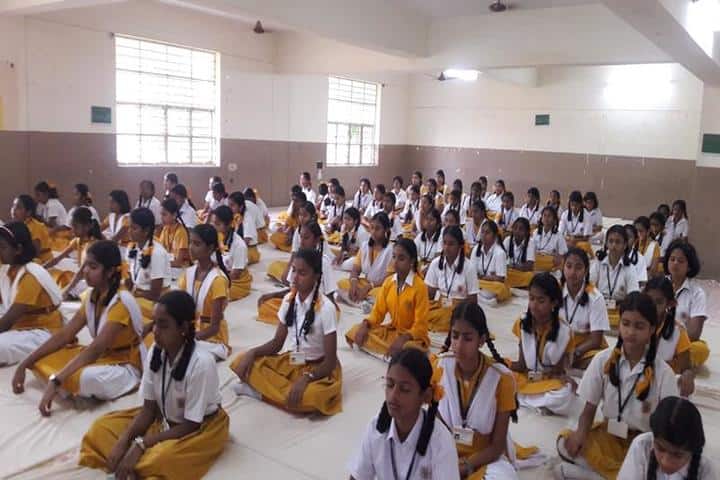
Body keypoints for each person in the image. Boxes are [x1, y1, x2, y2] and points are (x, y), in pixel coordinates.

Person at [78, 290, 229, 479]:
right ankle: (134, 468)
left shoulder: (202, 363)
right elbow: (149, 409)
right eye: (155, 323)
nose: (155, 331)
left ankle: (137, 467)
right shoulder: (156, 352)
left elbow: (191, 424)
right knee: (100, 430)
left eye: (163, 325)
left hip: (198, 429)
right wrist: (125, 440)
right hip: (162, 418)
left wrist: (142, 444)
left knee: (162, 460)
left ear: (183, 327)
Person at [12, 240, 144, 416]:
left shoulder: (121, 302)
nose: (85, 271)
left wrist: (57, 380)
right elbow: (64, 335)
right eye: (85, 265)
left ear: (110, 272)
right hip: (102, 357)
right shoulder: (92, 296)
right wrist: (24, 363)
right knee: (41, 358)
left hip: (124, 365)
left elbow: (95, 349)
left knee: (87, 379)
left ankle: (73, 385)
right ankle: (69, 385)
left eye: (93, 267)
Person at [556, 292, 678, 480]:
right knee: (564, 442)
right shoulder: (603, 359)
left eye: (639, 326)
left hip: (643, 444)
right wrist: (580, 434)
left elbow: (669, 427)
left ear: (652, 329)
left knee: (665, 470)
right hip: (609, 436)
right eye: (626, 323)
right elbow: (589, 408)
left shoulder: (663, 373)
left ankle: (594, 476)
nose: (630, 332)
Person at [231, 248, 342, 415]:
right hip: (294, 359)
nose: (294, 277)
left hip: (319, 369)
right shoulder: (288, 300)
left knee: (314, 397)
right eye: (294, 270)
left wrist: (307, 378)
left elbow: (330, 362)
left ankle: (261, 393)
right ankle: (284, 396)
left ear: (316, 276)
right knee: (241, 360)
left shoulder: (326, 308)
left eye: (302, 273)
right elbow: (277, 343)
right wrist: (252, 353)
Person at [437, 302, 526, 479]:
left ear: (482, 340)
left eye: (467, 338)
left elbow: (497, 446)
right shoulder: (440, 366)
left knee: (505, 477)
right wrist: (448, 461)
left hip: (484, 458)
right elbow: (435, 425)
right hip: (445, 451)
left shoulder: (501, 378)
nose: (459, 345)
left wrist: (465, 466)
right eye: (455, 336)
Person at [347, 348, 459, 480]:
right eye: (389, 385)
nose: (393, 395)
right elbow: (358, 476)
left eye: (404, 389)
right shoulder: (375, 428)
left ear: (426, 396)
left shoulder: (440, 442)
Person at [345, 238, 430, 359]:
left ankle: (389, 354)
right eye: (394, 257)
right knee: (356, 330)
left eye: (401, 258)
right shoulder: (389, 282)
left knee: (408, 349)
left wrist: (404, 338)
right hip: (393, 332)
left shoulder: (420, 287)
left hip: (412, 337)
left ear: (412, 261)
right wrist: (365, 324)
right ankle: (389, 355)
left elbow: (421, 326)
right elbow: (377, 313)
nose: (395, 262)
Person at [510, 273, 575, 416]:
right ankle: (536, 402)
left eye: (541, 300)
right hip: (526, 377)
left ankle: (524, 400)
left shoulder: (564, 331)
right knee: (499, 379)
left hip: (547, 381)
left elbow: (558, 372)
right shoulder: (521, 323)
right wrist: (502, 364)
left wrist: (564, 378)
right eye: (531, 298)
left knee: (564, 395)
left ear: (554, 303)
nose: (534, 305)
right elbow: (521, 365)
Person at [0, 222, 63, 365]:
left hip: (41, 331)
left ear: (18, 249)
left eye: (2, 247)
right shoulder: (9, 269)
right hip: (19, 325)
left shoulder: (31, 275)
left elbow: (8, 321)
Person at [257, 222, 336, 325]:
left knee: (314, 316)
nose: (302, 242)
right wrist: (272, 295)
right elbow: (293, 289)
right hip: (298, 303)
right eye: (300, 237)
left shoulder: (323, 262)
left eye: (306, 238)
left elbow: (330, 293)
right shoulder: (298, 258)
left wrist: (330, 312)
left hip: (316, 305)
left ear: (316, 240)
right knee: (267, 305)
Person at [618, 396, 714, 479]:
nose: (666, 462)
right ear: (653, 439)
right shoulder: (642, 445)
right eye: (660, 449)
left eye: (678, 455)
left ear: (692, 452)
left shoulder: (705, 467)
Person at [177, 225, 230, 361]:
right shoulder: (188, 273)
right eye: (190, 242)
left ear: (210, 248)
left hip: (212, 338)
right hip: (191, 329)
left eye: (197, 244)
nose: (191, 248)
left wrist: (188, 338)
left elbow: (214, 328)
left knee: (189, 357)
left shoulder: (218, 280)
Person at [644, 277, 695, 397]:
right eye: (649, 301)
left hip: (664, 385)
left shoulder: (678, 331)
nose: (652, 307)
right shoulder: (636, 325)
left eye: (659, 302)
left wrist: (688, 375)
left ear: (670, 303)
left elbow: (686, 368)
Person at [424, 226, 479, 332]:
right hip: (441, 305)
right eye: (444, 243)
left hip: (460, 310)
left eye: (451, 244)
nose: (446, 247)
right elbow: (429, 294)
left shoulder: (469, 267)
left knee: (456, 319)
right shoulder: (435, 263)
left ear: (460, 246)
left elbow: (473, 301)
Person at [561, 248, 609, 369]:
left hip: (585, 349)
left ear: (586, 270)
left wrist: (575, 353)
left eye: (578, 267)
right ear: (563, 267)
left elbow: (596, 340)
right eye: (569, 266)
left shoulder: (595, 297)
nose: (572, 272)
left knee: (600, 361)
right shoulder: (555, 291)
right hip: (560, 346)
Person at [664, 240, 709, 368]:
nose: (675, 263)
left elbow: (694, 333)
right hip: (657, 336)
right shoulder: (658, 285)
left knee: (701, 350)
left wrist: (672, 342)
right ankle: (672, 361)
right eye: (672, 259)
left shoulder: (697, 293)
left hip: (680, 342)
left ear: (689, 266)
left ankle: (666, 359)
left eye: (680, 261)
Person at [337, 212, 394, 305]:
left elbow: (388, 279)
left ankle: (361, 300)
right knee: (341, 283)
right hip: (365, 283)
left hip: (379, 286)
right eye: (372, 227)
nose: (373, 232)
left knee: (382, 294)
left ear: (386, 229)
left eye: (377, 228)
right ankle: (362, 300)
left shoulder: (391, 250)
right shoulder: (365, 246)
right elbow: (355, 269)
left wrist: (369, 287)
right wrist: (354, 283)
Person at [44, 207, 103, 297]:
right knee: (55, 270)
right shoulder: (77, 240)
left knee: (69, 282)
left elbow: (81, 272)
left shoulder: (92, 244)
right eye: (72, 227)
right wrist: (41, 268)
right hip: (82, 278)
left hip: (91, 281)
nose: (72, 230)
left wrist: (66, 291)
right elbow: (57, 259)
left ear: (87, 227)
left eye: (75, 227)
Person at [126, 208, 171, 325]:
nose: (129, 231)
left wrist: (134, 294)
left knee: (124, 310)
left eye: (134, 228)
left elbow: (155, 294)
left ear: (146, 231)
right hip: (138, 297)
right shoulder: (132, 248)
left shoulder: (157, 253)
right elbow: (129, 280)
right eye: (129, 227)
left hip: (155, 303)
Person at [590, 225, 640, 329]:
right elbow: (589, 287)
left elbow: (633, 296)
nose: (613, 245)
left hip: (619, 312)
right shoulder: (598, 263)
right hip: (598, 308)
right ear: (606, 243)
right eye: (611, 241)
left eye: (618, 242)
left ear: (625, 245)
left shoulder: (630, 268)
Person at [213, 206, 252, 301]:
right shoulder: (217, 237)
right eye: (213, 223)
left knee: (215, 293)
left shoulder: (239, 245)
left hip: (236, 281)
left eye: (218, 224)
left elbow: (235, 274)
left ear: (228, 224)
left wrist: (218, 280)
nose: (214, 227)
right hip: (220, 274)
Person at [470, 221, 512, 306]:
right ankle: (483, 299)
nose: (483, 235)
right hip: (479, 283)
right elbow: (471, 271)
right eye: (482, 232)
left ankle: (478, 297)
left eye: (487, 233)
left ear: (495, 236)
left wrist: (483, 277)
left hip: (491, 285)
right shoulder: (476, 249)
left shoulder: (500, 252)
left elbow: (500, 278)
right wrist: (490, 277)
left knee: (499, 287)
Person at [11, 194, 53, 263]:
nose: (14, 209)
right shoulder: (14, 226)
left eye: (18, 207)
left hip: (43, 261)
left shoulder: (36, 226)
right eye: (13, 206)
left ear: (28, 212)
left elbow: (35, 253)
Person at [158, 198, 191, 278]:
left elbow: (178, 262)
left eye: (164, 214)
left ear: (174, 215)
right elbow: (160, 251)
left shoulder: (181, 232)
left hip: (181, 270)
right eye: (161, 214)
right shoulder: (165, 229)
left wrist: (160, 263)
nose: (161, 217)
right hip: (169, 266)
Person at [532, 206, 567, 272]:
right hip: (537, 265)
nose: (546, 218)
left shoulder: (559, 236)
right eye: (544, 215)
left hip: (551, 268)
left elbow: (562, 256)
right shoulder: (535, 232)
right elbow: (531, 251)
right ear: (541, 218)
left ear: (554, 220)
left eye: (549, 216)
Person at [504, 217, 535, 288]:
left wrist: (513, 266)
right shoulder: (507, 240)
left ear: (527, 232)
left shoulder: (531, 243)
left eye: (521, 229)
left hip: (521, 273)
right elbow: (500, 260)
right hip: (509, 272)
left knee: (530, 276)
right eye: (515, 228)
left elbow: (529, 266)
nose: (517, 231)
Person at [559, 191, 592, 255]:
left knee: (585, 245)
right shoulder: (565, 214)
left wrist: (575, 240)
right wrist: (568, 239)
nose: (574, 207)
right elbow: (560, 233)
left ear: (581, 204)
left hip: (581, 241)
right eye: (572, 205)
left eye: (576, 205)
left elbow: (586, 238)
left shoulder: (587, 216)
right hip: (568, 240)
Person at [102, 190, 132, 256]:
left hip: (126, 250)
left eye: (112, 202)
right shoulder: (111, 216)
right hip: (114, 248)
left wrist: (102, 237)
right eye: (109, 202)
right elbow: (99, 228)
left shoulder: (128, 218)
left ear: (120, 203)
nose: (110, 205)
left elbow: (116, 239)